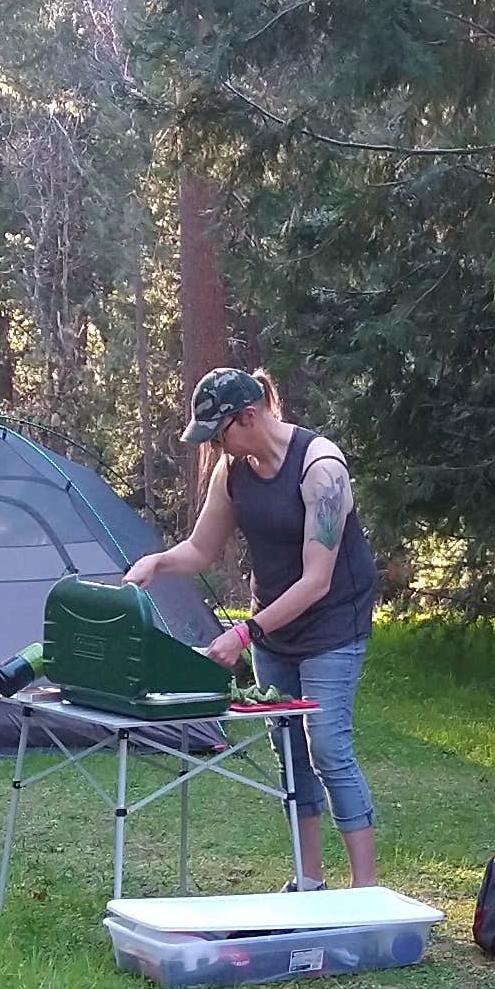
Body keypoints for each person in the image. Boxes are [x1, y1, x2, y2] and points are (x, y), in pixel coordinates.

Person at [128, 368, 382, 888]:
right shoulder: (233, 470)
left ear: (249, 416)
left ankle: (365, 889)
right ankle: (308, 881)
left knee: (328, 747)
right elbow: (201, 549)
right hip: (275, 628)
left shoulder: (321, 468)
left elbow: (316, 581)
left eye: (220, 432)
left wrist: (245, 634)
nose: (217, 445)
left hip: (333, 624)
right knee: (288, 750)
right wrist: (158, 562)